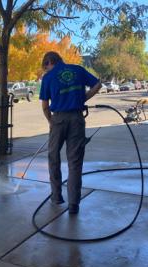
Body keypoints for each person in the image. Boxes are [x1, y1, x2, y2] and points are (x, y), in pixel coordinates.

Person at [39, 51, 101, 214]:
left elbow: (45, 106)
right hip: (77, 119)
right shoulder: (78, 70)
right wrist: (83, 98)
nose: (46, 71)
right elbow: (98, 84)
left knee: (53, 156)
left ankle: (57, 196)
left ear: (50, 62)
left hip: (58, 119)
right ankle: (74, 204)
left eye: (46, 67)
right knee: (75, 162)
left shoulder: (48, 77)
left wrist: (51, 121)